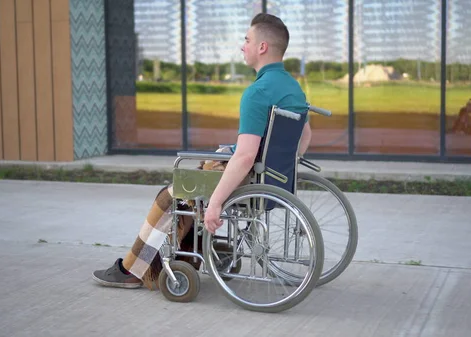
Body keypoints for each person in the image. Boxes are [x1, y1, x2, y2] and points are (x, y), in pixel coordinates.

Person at [92, 13, 312, 289]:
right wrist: (277, 166)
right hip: (273, 179)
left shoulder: (257, 93)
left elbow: (244, 156)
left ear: (262, 47)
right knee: (190, 193)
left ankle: (133, 271)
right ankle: (185, 258)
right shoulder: (293, 89)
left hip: (249, 176)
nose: (242, 46)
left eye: (246, 40)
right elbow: (305, 135)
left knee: (171, 196)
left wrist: (217, 204)